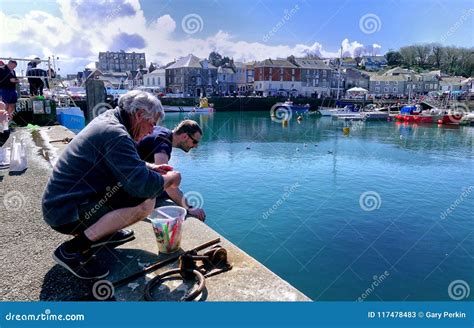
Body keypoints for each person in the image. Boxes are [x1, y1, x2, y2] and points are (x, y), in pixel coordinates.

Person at [42, 90, 182, 279]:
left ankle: (102, 233)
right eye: (152, 124)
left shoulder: (110, 120)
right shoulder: (117, 134)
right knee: (146, 202)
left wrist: (150, 167)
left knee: (134, 190)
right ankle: (72, 250)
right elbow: (142, 186)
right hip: (65, 213)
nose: (152, 131)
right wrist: (171, 179)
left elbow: (120, 162)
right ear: (139, 114)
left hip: (64, 202)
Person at [137, 120, 206, 221]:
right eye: (195, 142)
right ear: (184, 136)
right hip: (131, 185)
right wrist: (190, 208)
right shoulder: (163, 144)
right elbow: (166, 181)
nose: (196, 146)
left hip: (133, 176)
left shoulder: (163, 132)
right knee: (184, 204)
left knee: (177, 194)